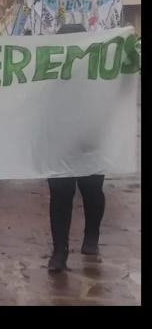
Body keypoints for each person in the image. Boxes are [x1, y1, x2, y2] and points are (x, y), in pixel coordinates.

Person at [47, 23, 105, 272]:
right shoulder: (47, 73)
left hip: (90, 142)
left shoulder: (101, 72)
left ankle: (91, 236)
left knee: (92, 192)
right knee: (60, 196)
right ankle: (59, 251)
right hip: (58, 144)